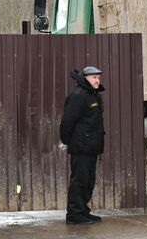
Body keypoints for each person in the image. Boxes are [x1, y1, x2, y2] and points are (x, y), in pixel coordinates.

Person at [60, 66, 105, 225]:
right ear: (85, 78)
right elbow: (67, 121)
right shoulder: (78, 95)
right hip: (81, 146)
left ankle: (82, 211)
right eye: (94, 77)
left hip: (92, 147)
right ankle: (74, 214)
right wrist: (67, 141)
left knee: (88, 180)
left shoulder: (95, 95)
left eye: (98, 77)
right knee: (79, 180)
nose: (97, 80)